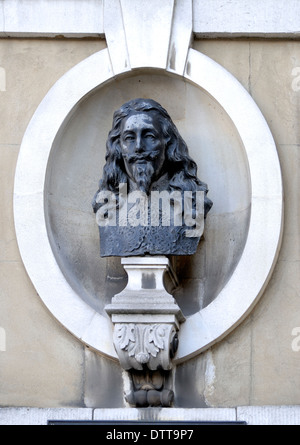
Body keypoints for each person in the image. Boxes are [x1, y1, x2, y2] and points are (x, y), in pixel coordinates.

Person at [92, 98, 212, 257]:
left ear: (167, 143)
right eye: (129, 138)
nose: (139, 147)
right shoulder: (108, 209)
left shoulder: (191, 205)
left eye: (149, 136)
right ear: (118, 148)